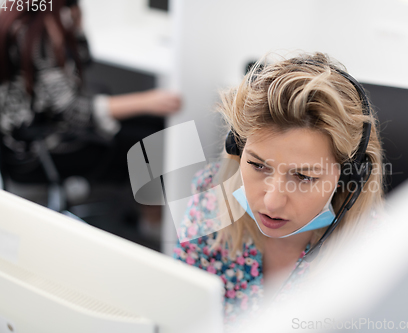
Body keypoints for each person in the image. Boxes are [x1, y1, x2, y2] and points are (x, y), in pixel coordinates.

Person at [173, 52, 384, 329]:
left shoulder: (376, 253)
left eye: (304, 176)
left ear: (349, 176)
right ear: (238, 150)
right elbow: (178, 308)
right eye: (258, 166)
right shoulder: (210, 198)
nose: (271, 203)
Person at [0, 0, 181, 184]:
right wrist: (146, 102)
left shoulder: (29, 13)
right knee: (156, 149)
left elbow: (83, 57)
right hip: (39, 149)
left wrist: (74, 19)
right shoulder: (35, 30)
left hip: (41, 133)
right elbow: (73, 111)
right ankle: (154, 212)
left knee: (158, 126)